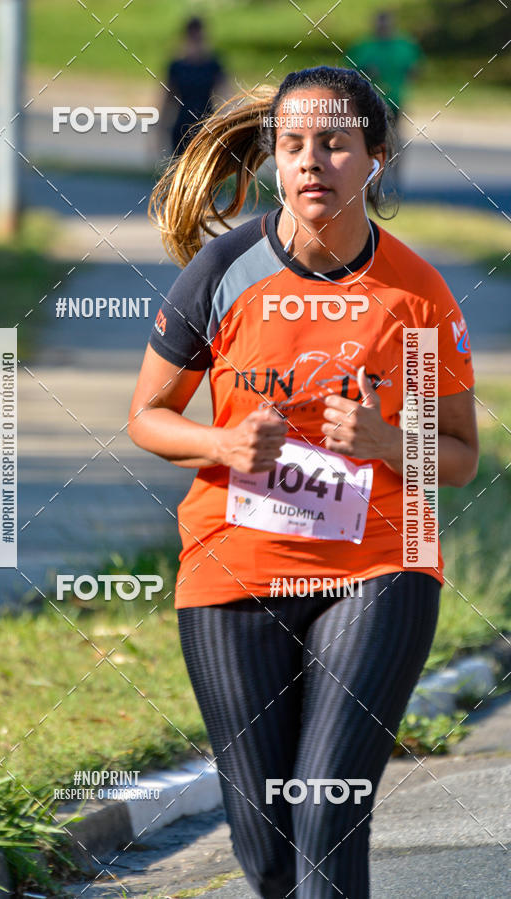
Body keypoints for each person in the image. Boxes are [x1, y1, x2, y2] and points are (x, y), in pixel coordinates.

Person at [128, 66, 478, 898]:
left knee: (327, 819)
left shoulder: (414, 295)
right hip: (233, 567)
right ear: (273, 160)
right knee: (270, 851)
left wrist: (390, 440)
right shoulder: (225, 271)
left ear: (376, 159)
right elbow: (148, 415)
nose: (312, 162)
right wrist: (222, 439)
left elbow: (457, 455)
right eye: (293, 146)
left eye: (334, 144)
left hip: (379, 569)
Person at [348, 10, 423, 190]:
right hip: (370, 103)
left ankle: (394, 178)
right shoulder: (364, 47)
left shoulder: (404, 46)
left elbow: (415, 69)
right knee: (369, 139)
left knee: (394, 139)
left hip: (395, 102)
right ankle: (369, 177)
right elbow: (349, 72)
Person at [159, 16, 227, 157]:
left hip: (206, 127)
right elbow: (167, 99)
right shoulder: (177, 67)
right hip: (182, 128)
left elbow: (225, 96)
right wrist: (160, 129)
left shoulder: (213, 65)